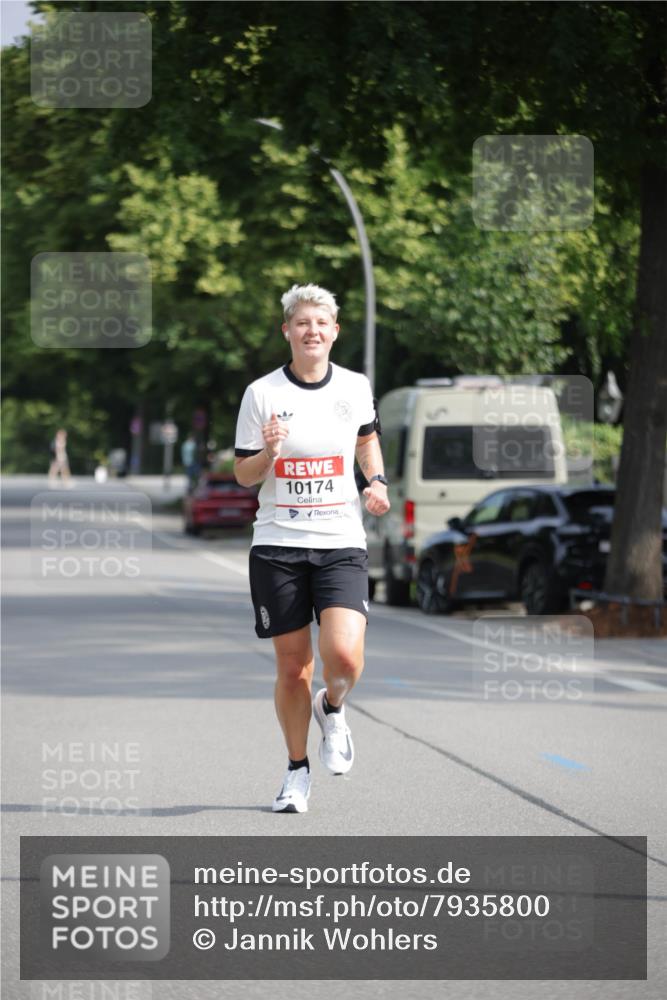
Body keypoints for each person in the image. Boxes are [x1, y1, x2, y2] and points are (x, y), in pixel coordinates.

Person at [234, 284, 390, 813]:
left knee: (344, 657)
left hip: (340, 541)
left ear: (335, 331)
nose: (312, 331)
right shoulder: (261, 394)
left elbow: (367, 438)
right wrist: (270, 453)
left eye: (321, 323)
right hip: (278, 545)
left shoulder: (354, 386)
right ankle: (297, 772)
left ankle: (335, 705)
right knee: (293, 667)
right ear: (287, 331)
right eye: (302, 323)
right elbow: (242, 474)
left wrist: (378, 482)